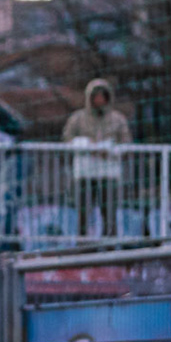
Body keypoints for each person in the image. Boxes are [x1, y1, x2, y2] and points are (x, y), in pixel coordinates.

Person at [63, 78, 131, 239]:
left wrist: (110, 150)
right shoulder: (78, 118)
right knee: (83, 210)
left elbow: (126, 142)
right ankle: (83, 244)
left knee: (109, 210)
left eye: (102, 96)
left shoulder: (118, 119)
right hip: (85, 172)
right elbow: (67, 137)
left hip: (109, 173)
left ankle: (109, 244)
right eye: (96, 97)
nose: (99, 100)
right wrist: (86, 145)